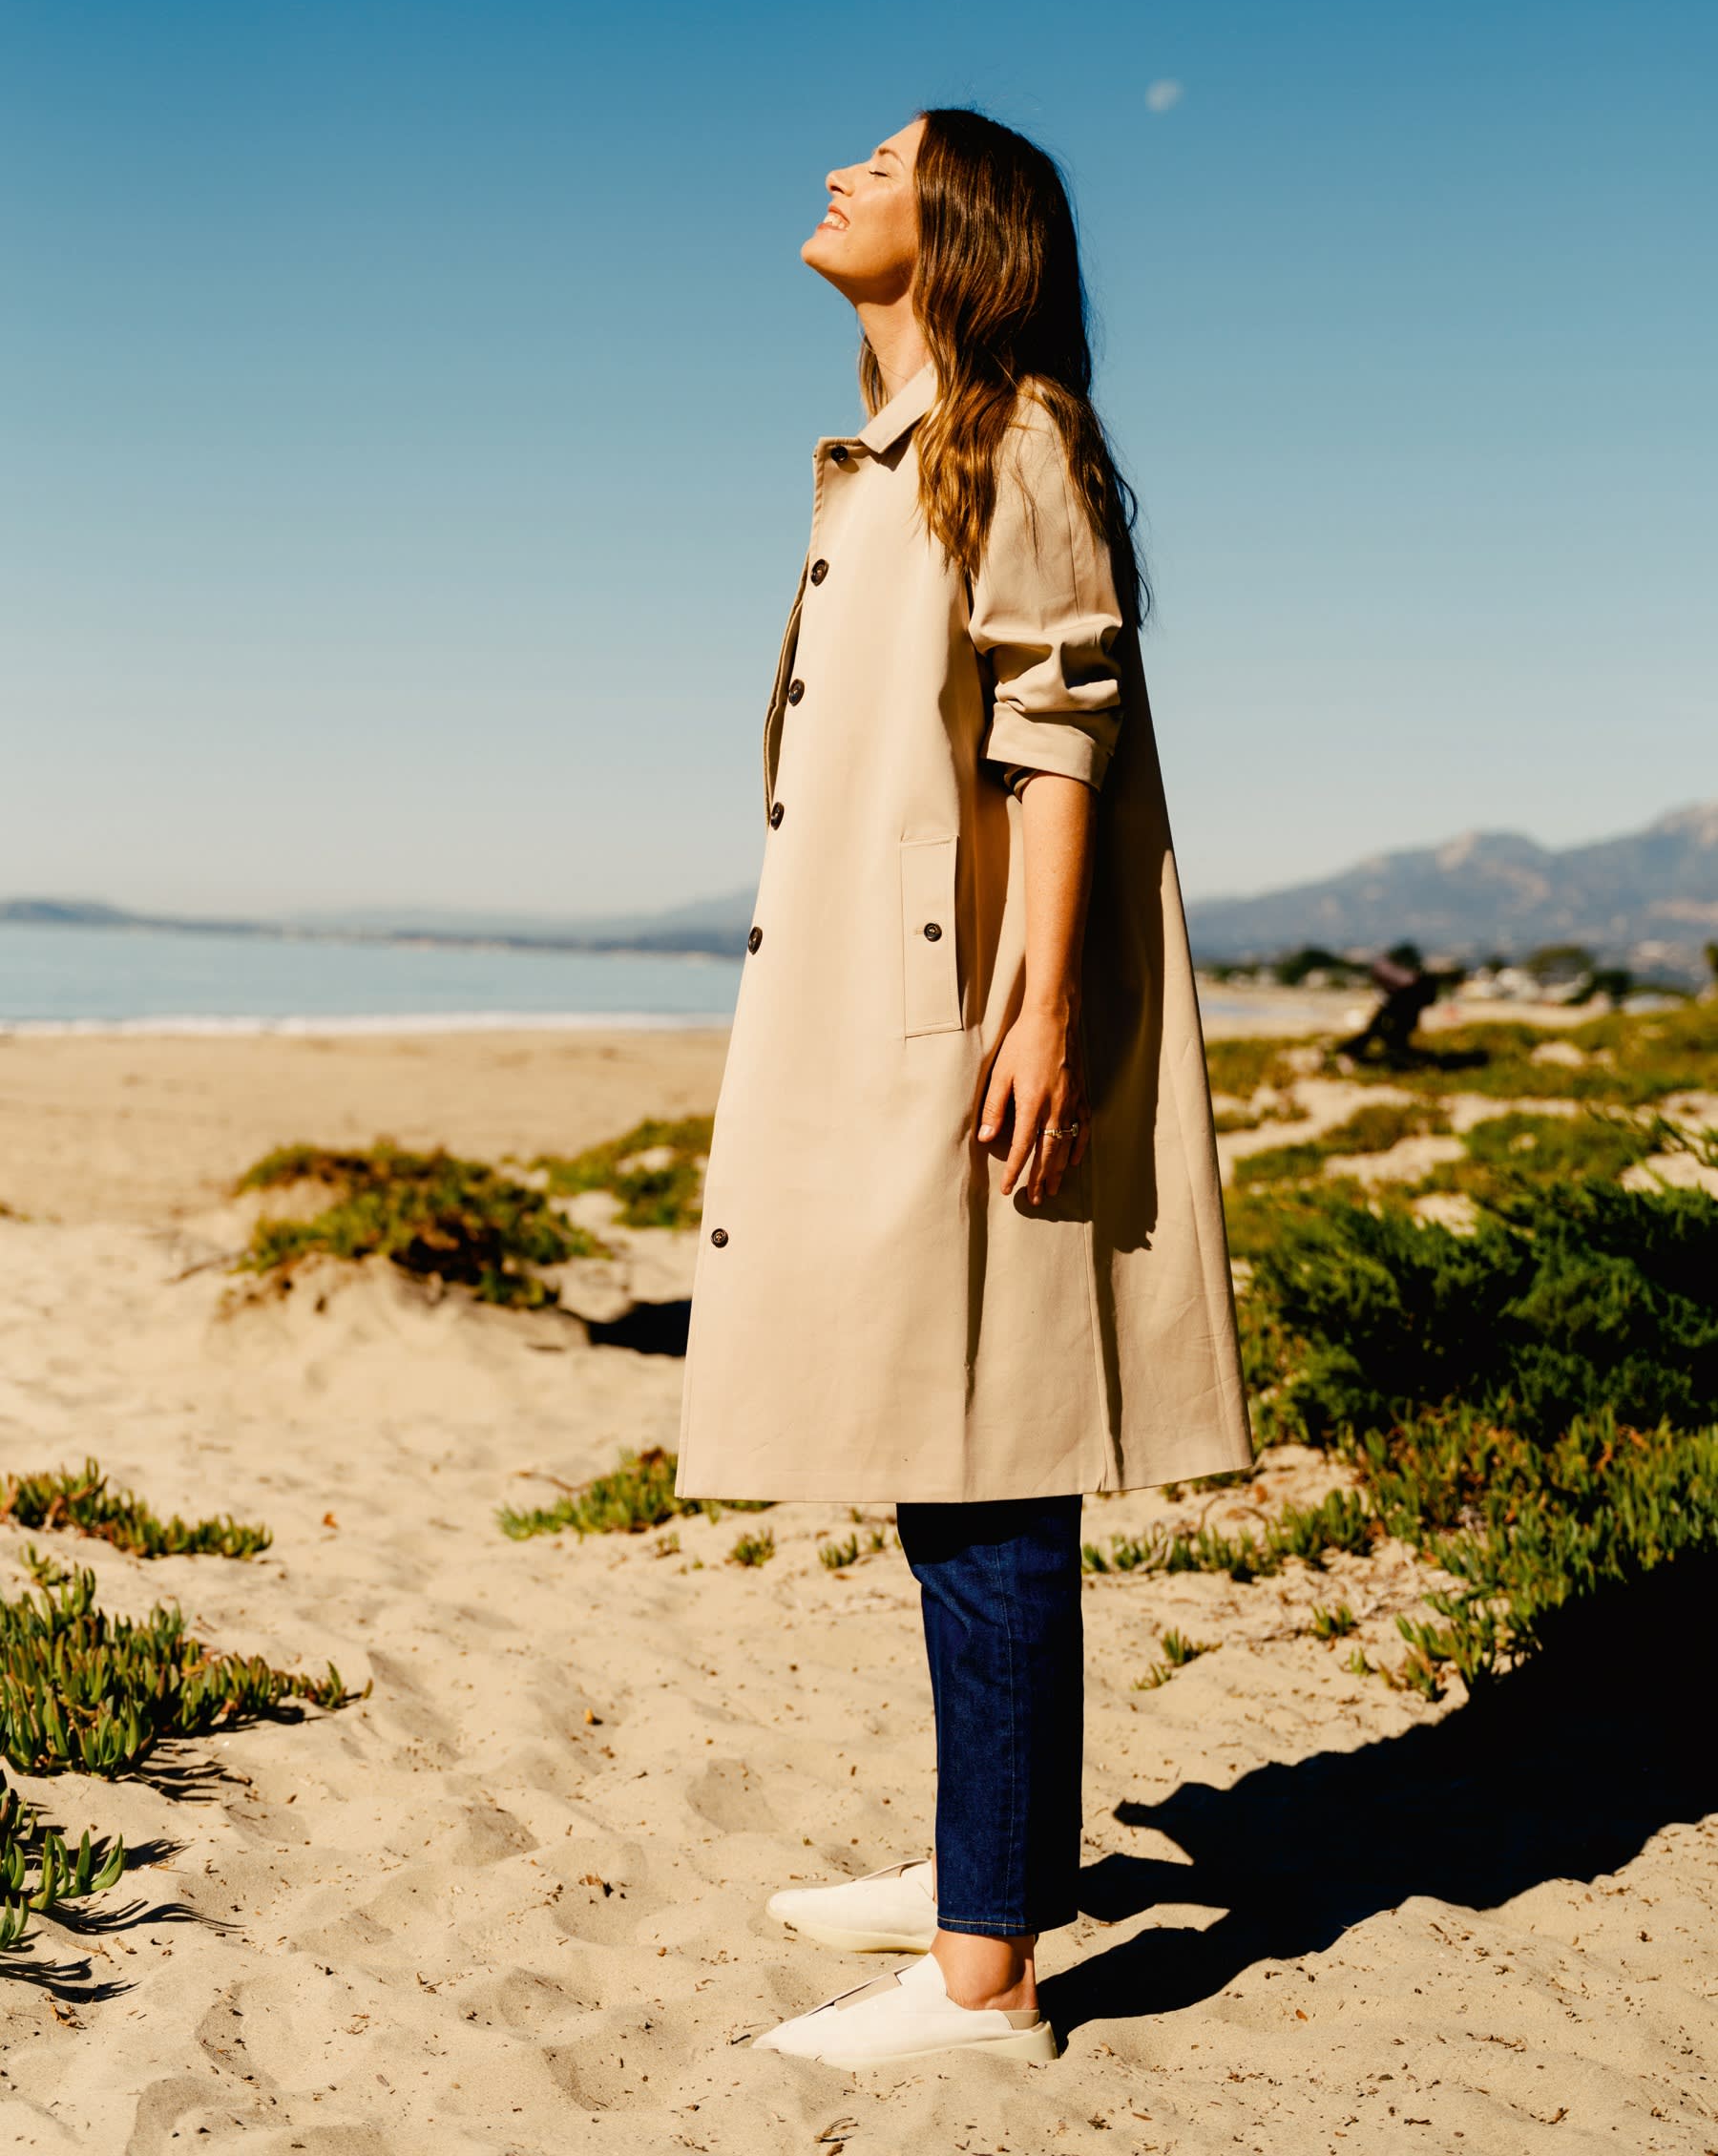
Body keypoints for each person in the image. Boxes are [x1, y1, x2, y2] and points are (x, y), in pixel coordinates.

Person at [675, 108, 1252, 2068]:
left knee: (989, 1461)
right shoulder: (902, 457)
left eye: (885, 157)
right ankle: (987, 1873)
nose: (835, 169)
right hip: (907, 999)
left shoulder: (1013, 440)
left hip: (966, 1018)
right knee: (956, 1453)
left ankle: (986, 1974)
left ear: (963, 228)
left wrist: (1037, 1014)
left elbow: (1057, 732)